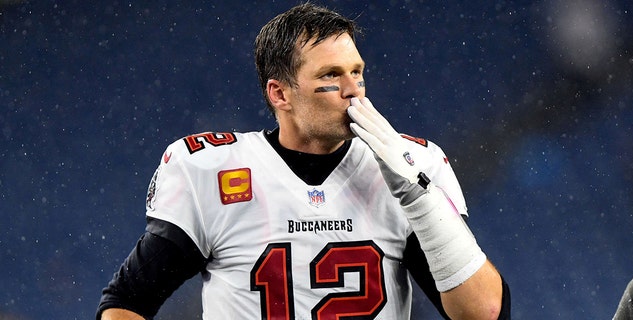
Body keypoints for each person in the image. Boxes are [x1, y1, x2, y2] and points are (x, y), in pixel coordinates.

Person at [96, 3, 511, 319]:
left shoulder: (411, 166)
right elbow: (126, 302)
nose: (354, 91)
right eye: (331, 76)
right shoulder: (213, 170)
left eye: (358, 72)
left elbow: (485, 313)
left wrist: (419, 196)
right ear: (280, 94)